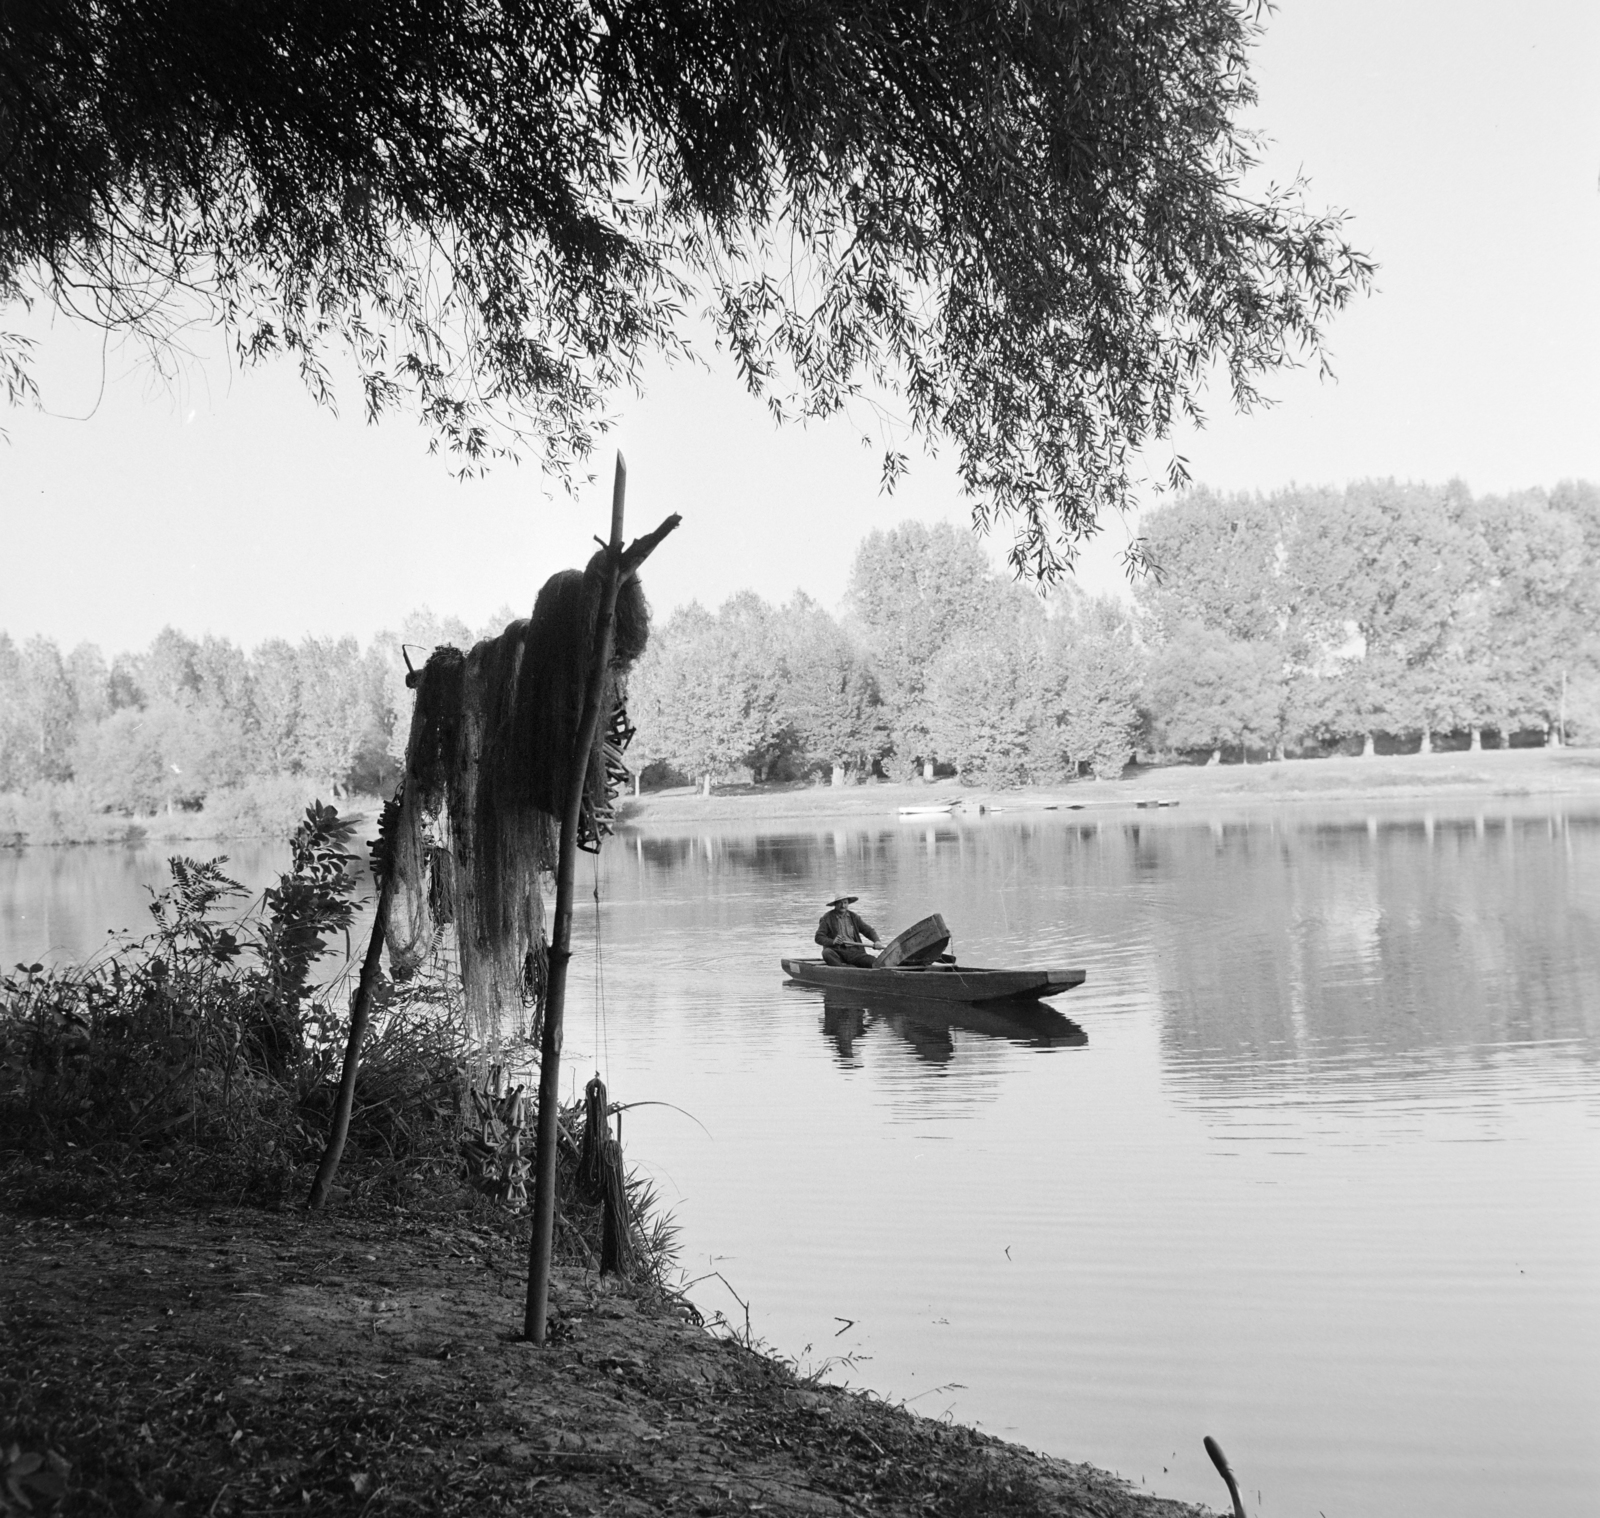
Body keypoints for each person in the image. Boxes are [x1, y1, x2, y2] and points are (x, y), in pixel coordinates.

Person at [815, 895, 882, 967]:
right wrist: (833, 941)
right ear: (835, 904)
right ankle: (844, 969)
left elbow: (868, 930)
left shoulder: (854, 917)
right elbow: (818, 937)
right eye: (840, 903)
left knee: (874, 962)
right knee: (826, 953)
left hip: (854, 952)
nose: (843, 906)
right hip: (837, 951)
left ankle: (848, 968)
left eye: (845, 903)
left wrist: (877, 941)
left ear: (848, 904)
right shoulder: (827, 918)